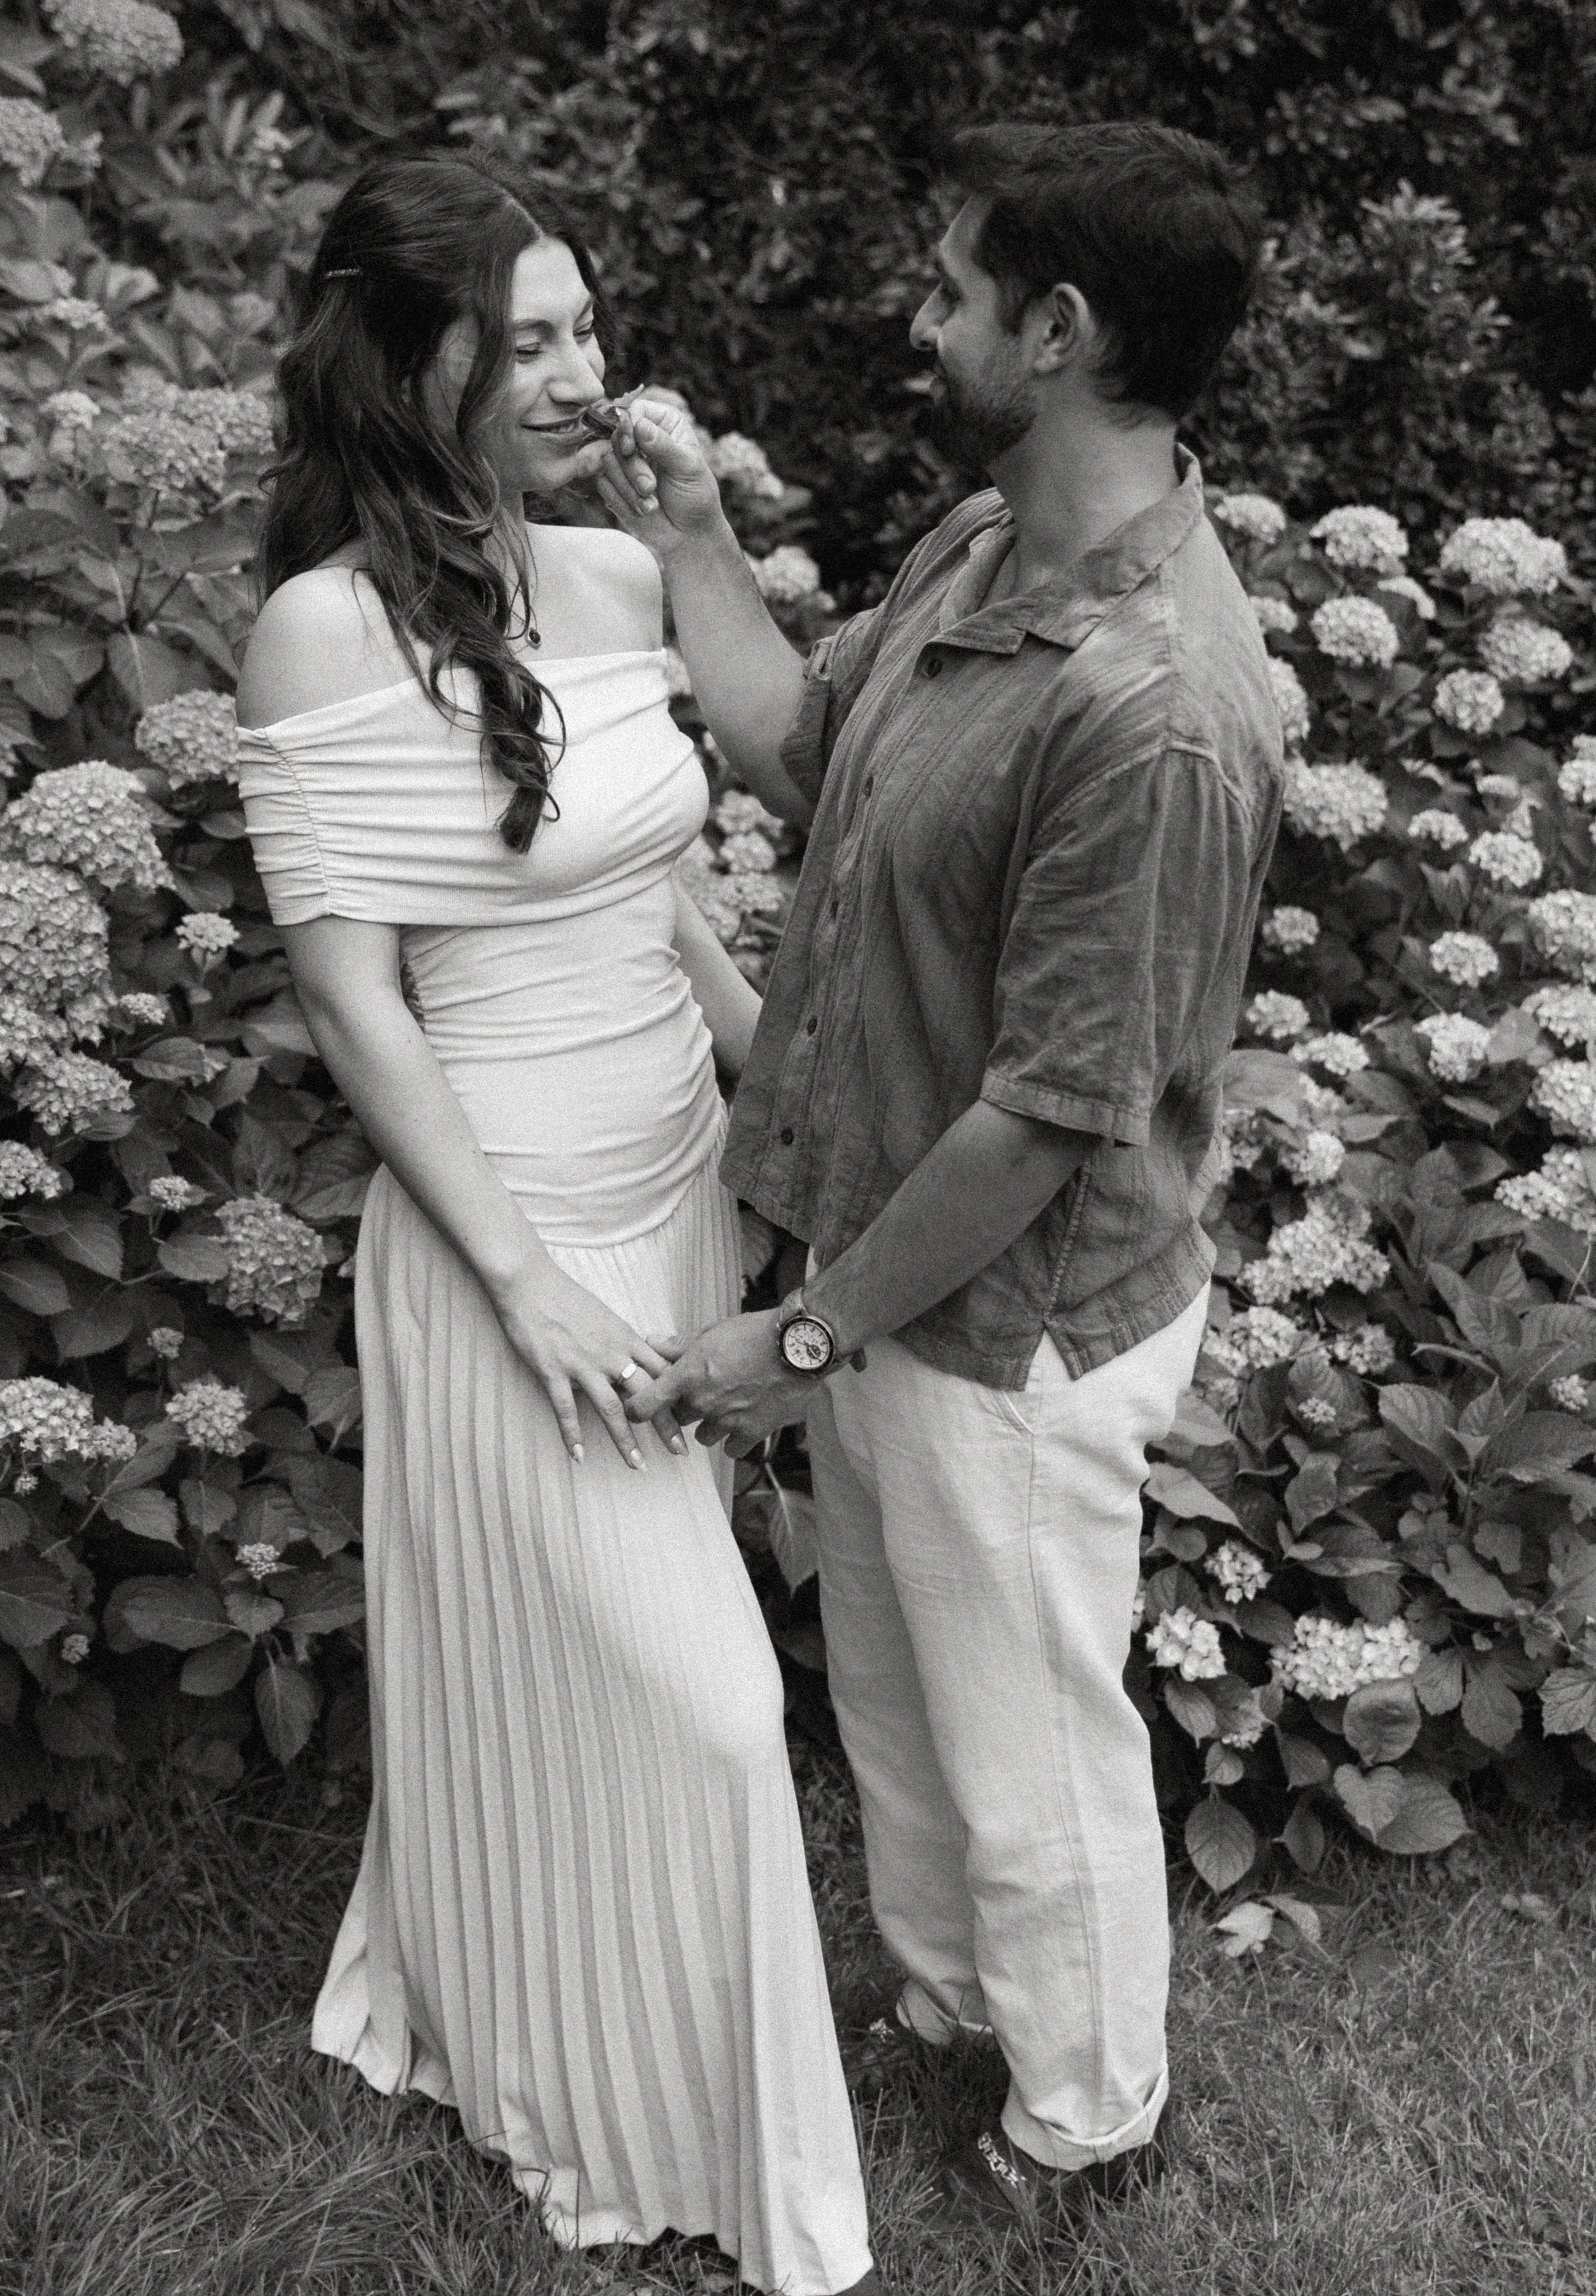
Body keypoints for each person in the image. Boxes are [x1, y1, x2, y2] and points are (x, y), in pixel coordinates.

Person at [605, 119, 1281, 2238]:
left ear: (1056, 332)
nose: (921, 320)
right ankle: (951, 2014)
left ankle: (1086, 2121)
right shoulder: (980, 550)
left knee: (1026, 1740)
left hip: (1004, 1312)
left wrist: (802, 1328)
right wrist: (700, 536)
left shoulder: (1154, 708)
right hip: (892, 1279)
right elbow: (817, 757)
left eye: (946, 288)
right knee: (900, 1686)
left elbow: (1051, 1113)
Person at [234, 151, 879, 2296]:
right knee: (700, 1704)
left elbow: (656, 883)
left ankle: (561, 2008)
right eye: (526, 340)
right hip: (506, 1234)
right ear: (403, 363)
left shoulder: (607, 582)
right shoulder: (315, 634)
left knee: (641, 1670)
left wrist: (798, 1106)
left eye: (587, 328)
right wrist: (519, 1288)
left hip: (679, 1185)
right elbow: (352, 1004)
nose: (579, 374)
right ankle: (659, 2122)